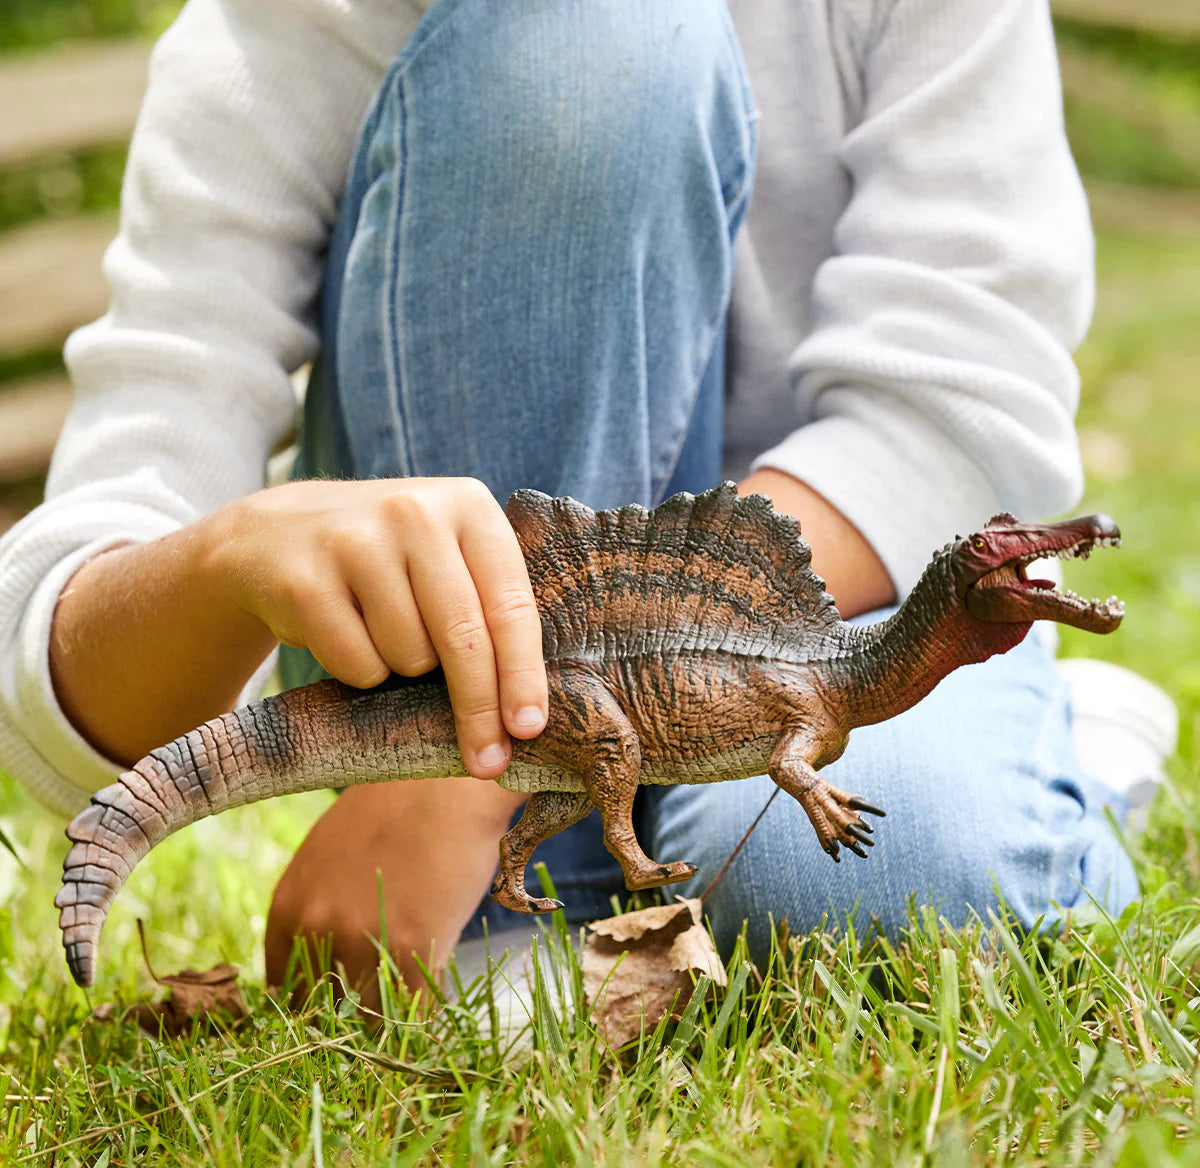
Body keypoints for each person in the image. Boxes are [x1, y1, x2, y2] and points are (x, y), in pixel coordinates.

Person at [0, 0, 1143, 998]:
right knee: (587, 41)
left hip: (826, 615)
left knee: (905, 883)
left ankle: (1069, 755)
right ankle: (520, 907)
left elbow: (952, 413)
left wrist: (487, 763)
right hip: (509, 681)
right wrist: (225, 558)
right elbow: (74, 690)